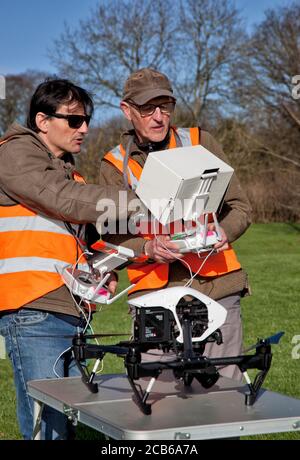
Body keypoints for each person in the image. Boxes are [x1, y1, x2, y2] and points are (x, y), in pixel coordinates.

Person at [0, 78, 137, 440]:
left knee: (71, 423)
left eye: (87, 119)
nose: (85, 128)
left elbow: (87, 240)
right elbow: (63, 199)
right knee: (48, 427)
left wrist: (108, 263)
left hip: (69, 310)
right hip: (33, 309)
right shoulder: (14, 154)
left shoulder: (68, 172)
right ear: (42, 121)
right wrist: (142, 201)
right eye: (74, 120)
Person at [99, 68, 252, 381]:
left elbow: (240, 208)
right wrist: (147, 248)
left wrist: (224, 231)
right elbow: (111, 238)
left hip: (217, 288)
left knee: (223, 399)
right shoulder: (114, 165)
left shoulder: (200, 142)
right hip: (154, 298)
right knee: (159, 404)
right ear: (126, 111)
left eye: (165, 107)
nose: (159, 116)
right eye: (147, 108)